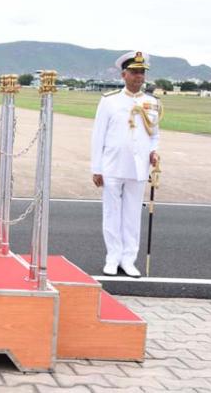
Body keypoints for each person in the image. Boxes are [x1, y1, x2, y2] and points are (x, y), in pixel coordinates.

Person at [91, 51, 161, 278]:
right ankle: (112, 258)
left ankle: (128, 260)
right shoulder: (109, 100)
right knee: (112, 214)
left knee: (132, 216)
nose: (139, 76)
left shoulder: (152, 102)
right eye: (134, 72)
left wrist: (154, 152)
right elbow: (98, 136)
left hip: (138, 168)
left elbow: (154, 134)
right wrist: (96, 168)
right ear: (124, 75)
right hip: (112, 166)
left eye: (142, 72)